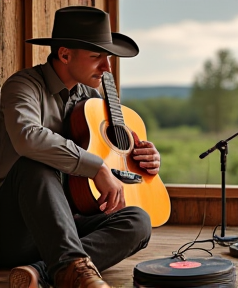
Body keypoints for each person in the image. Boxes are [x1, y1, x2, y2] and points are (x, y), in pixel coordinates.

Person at [0, 6, 161, 288]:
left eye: (108, 57)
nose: (107, 67)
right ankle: (72, 270)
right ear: (64, 54)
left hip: (65, 226)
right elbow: (27, 137)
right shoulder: (22, 85)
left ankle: (42, 271)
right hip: (13, 228)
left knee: (138, 221)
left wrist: (141, 159)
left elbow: (109, 155)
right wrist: (96, 166)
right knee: (35, 162)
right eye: (96, 56)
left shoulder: (93, 98)